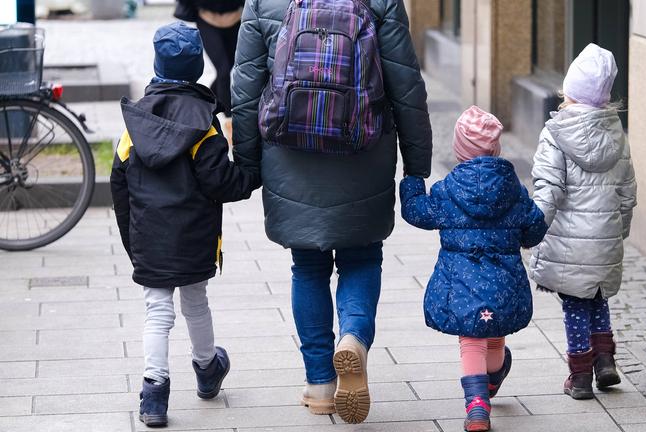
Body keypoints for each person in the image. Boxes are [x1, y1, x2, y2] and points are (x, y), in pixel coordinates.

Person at [230, 0, 432, 424]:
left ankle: (320, 383)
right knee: (362, 257)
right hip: (364, 149)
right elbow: (406, 86)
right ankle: (353, 338)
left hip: (290, 153)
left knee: (307, 267)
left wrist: (247, 163)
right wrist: (417, 165)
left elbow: (246, 88)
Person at [110, 22, 260, 428]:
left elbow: (119, 189)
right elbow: (221, 182)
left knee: (157, 311)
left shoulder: (133, 126)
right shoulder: (203, 126)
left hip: (149, 237)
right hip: (194, 236)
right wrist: (253, 175)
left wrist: (133, 241)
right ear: (197, 69)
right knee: (196, 303)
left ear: (157, 65)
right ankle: (207, 368)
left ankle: (153, 393)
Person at [400, 106, 548, 432]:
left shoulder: (448, 190)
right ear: (496, 149)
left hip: (460, 282)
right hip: (504, 283)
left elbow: (416, 212)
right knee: (494, 334)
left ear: (458, 150)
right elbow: (535, 228)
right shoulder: (513, 190)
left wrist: (412, 180)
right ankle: (492, 377)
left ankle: (477, 405)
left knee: (471, 339)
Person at [529, 43, 637, 400]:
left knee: (575, 305)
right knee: (598, 298)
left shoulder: (556, 133)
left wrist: (532, 229)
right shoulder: (617, 135)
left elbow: (548, 190)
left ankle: (579, 377)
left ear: (569, 92)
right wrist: (619, 231)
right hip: (605, 239)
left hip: (569, 244)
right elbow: (627, 192)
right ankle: (605, 362)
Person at [174, 0, 244, 121]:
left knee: (226, 70)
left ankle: (206, 100)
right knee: (223, 71)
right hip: (207, 20)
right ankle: (228, 118)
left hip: (236, 20)